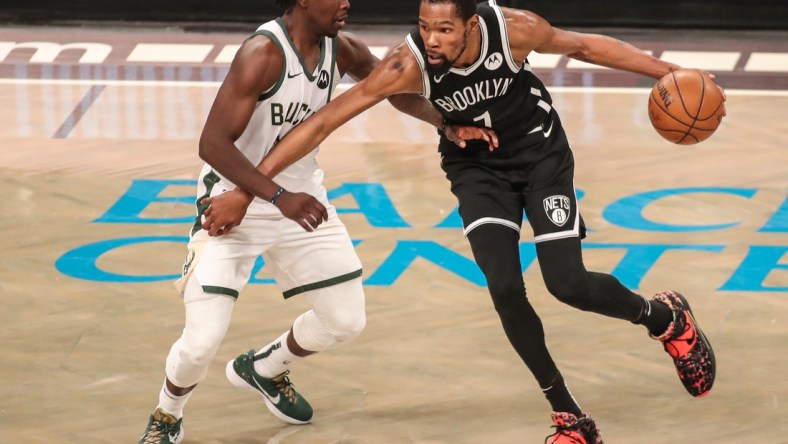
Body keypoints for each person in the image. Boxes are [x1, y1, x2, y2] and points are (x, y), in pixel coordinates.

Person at [202, 1, 722, 442]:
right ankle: (569, 416)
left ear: (472, 26)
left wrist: (671, 73)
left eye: (444, 29)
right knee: (504, 287)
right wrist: (250, 190)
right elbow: (322, 122)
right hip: (476, 169)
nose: (430, 38)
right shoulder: (407, 64)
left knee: (568, 284)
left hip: (540, 155)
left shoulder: (512, 30)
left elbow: (584, 46)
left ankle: (666, 320)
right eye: (424, 25)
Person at [137, 0, 493, 443]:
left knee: (345, 320)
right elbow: (212, 143)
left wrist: (446, 123)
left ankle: (264, 369)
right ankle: (167, 415)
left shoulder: (342, 48)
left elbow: (393, 89)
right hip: (234, 203)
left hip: (301, 200)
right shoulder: (262, 54)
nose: (347, 2)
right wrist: (276, 196)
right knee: (202, 341)